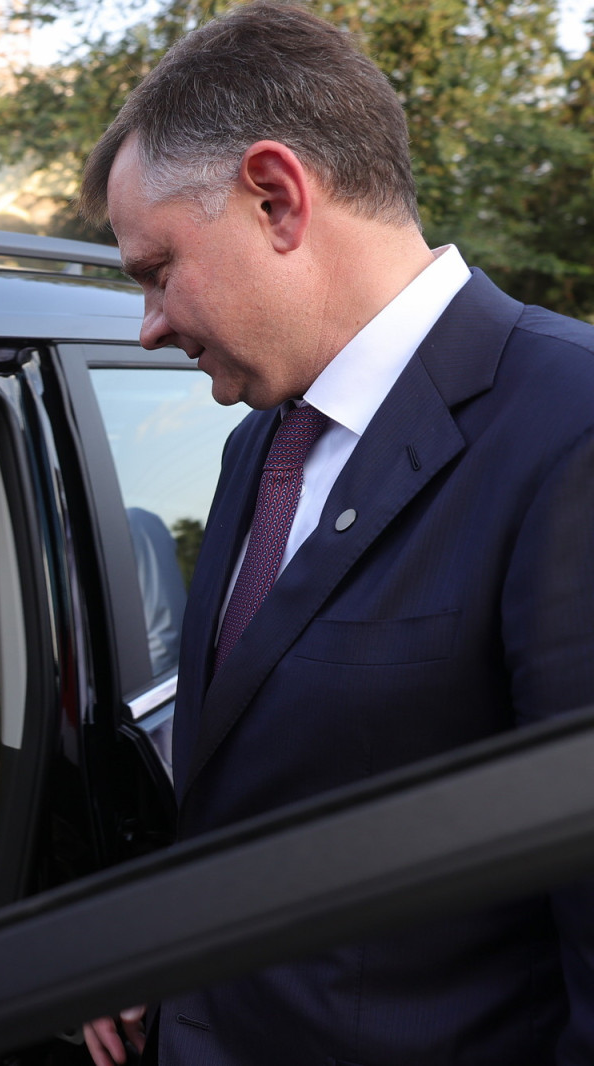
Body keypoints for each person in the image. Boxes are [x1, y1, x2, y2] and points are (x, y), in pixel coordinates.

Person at [75, 3, 594, 1064]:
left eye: (156, 269)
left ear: (276, 197)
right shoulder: (257, 448)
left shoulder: (570, 431)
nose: (150, 325)